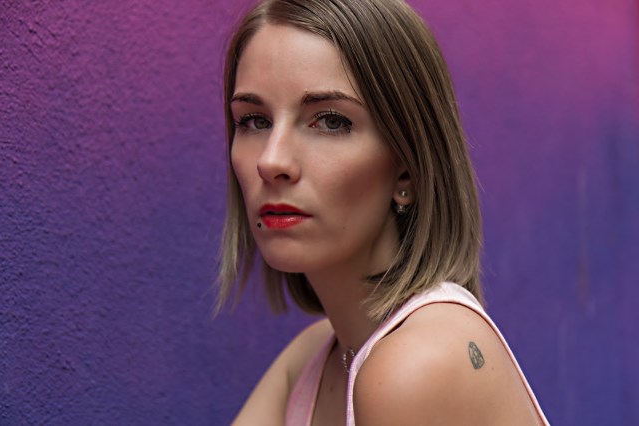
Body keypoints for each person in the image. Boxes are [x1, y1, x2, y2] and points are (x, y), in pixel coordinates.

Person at [216, 0, 549, 424]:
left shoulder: (417, 364)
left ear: (407, 169)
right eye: (254, 121)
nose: (271, 160)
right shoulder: (310, 361)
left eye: (330, 121)